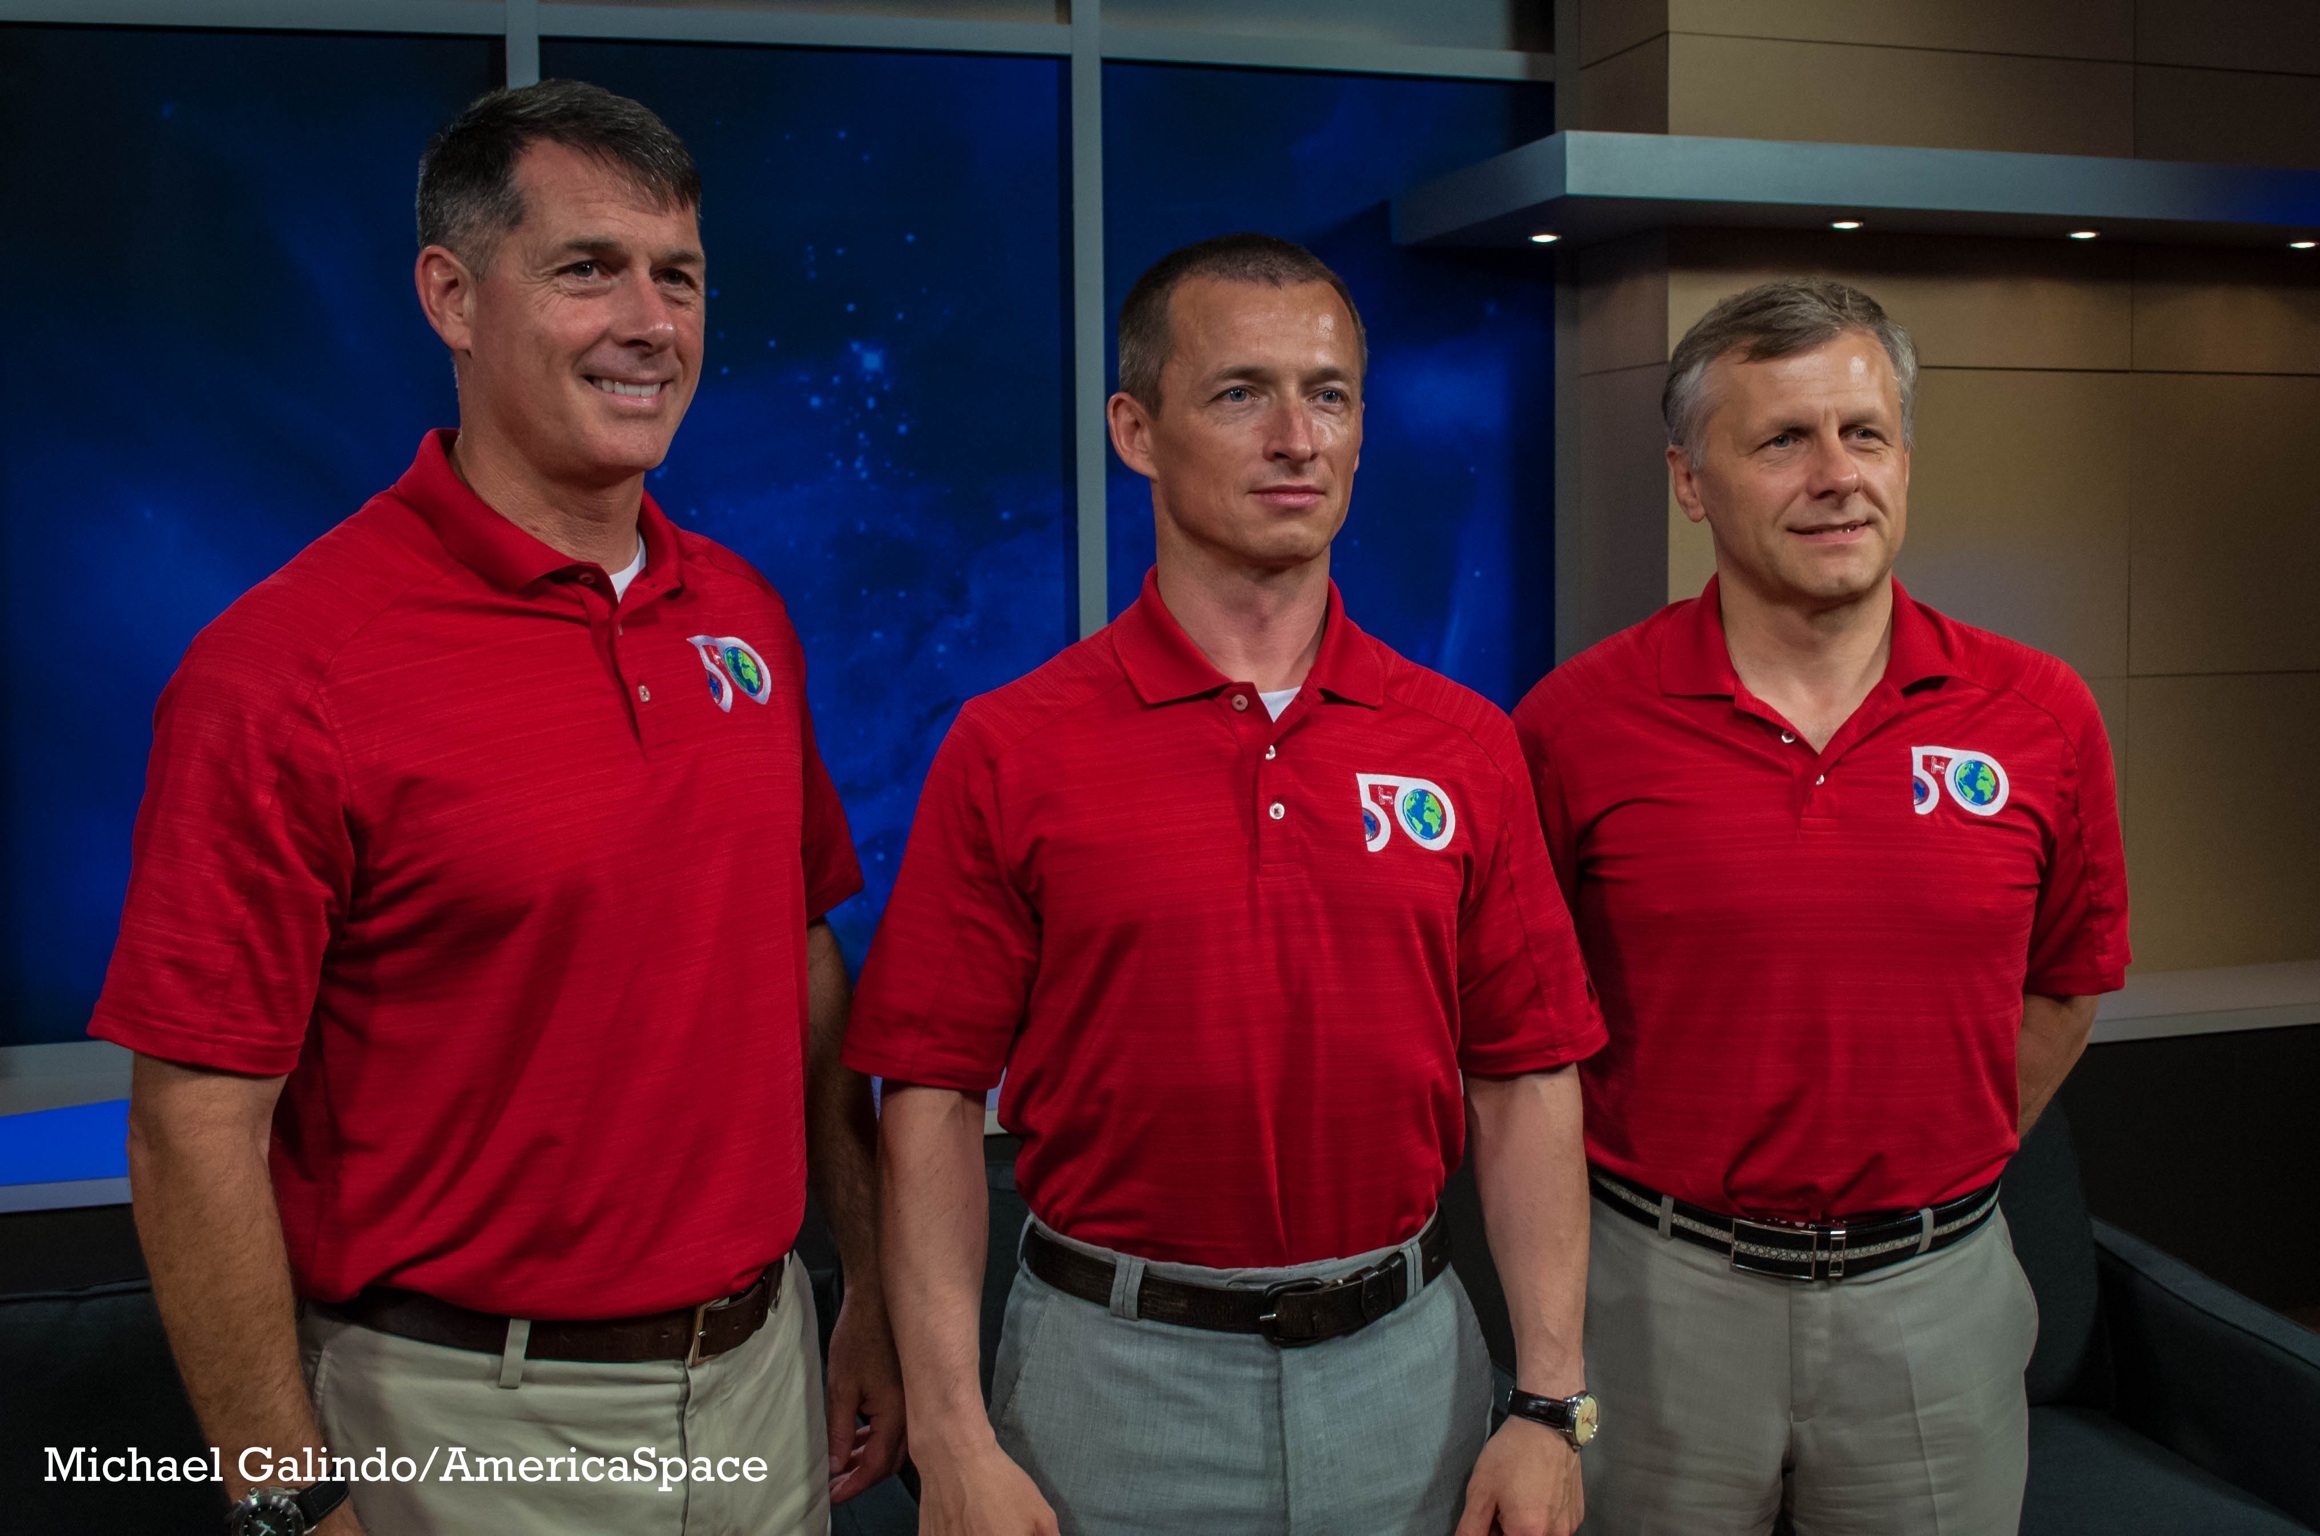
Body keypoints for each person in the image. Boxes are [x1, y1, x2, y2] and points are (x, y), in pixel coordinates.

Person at [90, 80, 902, 1535]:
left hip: (761, 1379)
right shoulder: (287, 672)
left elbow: (800, 966)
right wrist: (285, 1497)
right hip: (462, 1425)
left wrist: (870, 1300)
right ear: (452, 297)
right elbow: (191, 1126)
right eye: (588, 268)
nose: (650, 321)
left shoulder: (747, 621)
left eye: (680, 276)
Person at [844, 232, 1608, 1536]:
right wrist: (955, 1431)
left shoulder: (1465, 746)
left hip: (1407, 1375)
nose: (1297, 438)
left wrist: (1550, 1409)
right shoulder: (1015, 747)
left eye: (1329, 394)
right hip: (1108, 1381)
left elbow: (1528, 1079)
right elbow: (925, 1098)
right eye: (1241, 392)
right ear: (1135, 430)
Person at [1512, 277, 2129, 1535]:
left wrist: (1923, 1156)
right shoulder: (1572, 727)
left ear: (1906, 457)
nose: (1836, 474)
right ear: (1691, 481)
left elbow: (2065, 985)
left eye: (1865, 433)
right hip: (1657, 1296)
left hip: (1936, 1297)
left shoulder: (2040, 714)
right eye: (1782, 439)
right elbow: (1525, 1038)